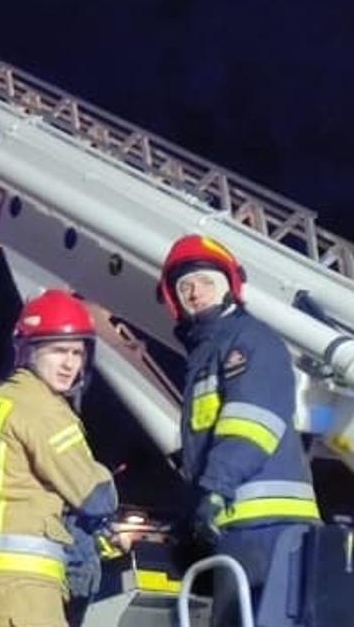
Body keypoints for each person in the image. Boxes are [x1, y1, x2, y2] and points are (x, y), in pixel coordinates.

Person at [158, 234, 320, 626]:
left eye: (205, 281)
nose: (195, 292)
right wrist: (188, 517)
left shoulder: (249, 342)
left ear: (230, 287)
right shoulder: (206, 355)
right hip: (238, 529)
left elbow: (251, 425)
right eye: (185, 287)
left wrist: (212, 492)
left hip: (270, 528)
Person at [0, 289, 126, 627]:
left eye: (78, 352)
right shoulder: (43, 407)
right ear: (29, 350)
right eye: (59, 350)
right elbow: (96, 496)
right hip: (23, 583)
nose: (70, 364)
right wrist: (103, 474)